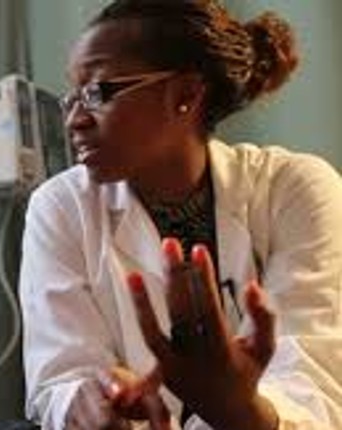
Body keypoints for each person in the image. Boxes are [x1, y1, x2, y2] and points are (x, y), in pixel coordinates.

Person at [19, 1, 342, 429]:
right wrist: (88, 401)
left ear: (186, 94)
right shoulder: (60, 208)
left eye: (98, 92)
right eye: (72, 97)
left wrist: (237, 408)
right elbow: (59, 376)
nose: (75, 120)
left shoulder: (294, 190)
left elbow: (314, 384)